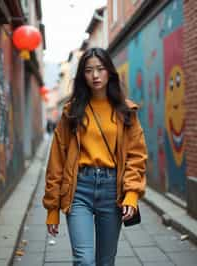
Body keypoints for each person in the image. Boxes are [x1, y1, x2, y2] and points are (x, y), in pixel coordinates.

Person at [42, 47, 148, 266]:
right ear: (83, 75)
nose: (95, 75)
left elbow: (136, 156)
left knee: (105, 261)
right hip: (79, 188)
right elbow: (57, 161)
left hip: (112, 190)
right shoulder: (71, 112)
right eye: (89, 70)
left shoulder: (126, 111)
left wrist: (131, 194)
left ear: (109, 71)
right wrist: (53, 208)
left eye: (100, 69)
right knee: (84, 260)